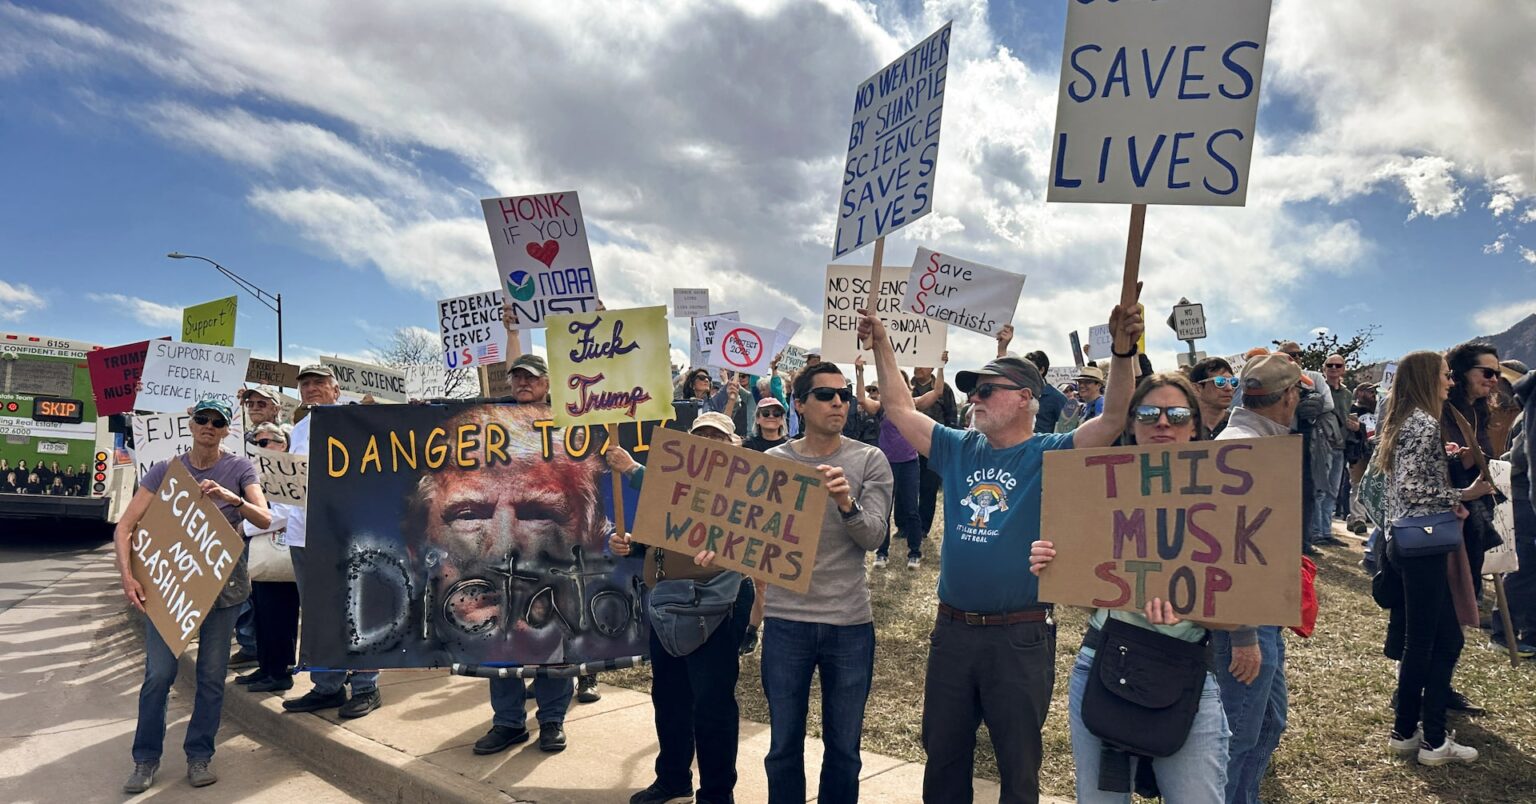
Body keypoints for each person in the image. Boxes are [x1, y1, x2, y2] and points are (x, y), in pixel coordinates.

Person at [858, 297, 1143, 804]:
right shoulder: (960, 446)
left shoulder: (1050, 454)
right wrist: (882, 343)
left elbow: (1115, 415)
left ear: (1027, 399)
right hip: (952, 631)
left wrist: (1123, 351)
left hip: (1021, 635)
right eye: (972, 390)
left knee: (1018, 762)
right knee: (943, 754)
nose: (975, 398)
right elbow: (901, 408)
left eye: (987, 390)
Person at [1030, 372, 1231, 802]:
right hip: (1104, 661)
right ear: (1131, 423)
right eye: (1148, 413)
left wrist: (1195, 608)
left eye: (1176, 414)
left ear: (1194, 424)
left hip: (1185, 667)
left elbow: (1244, 598)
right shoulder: (1099, 488)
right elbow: (1088, 591)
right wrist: (1053, 563)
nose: (1163, 423)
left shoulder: (1227, 493)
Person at [739, 361, 892, 804]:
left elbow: (874, 537)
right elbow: (748, 535)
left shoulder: (869, 460)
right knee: (783, 745)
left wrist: (846, 502)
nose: (839, 403)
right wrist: (723, 550)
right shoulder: (773, 463)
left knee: (844, 750)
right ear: (800, 405)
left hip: (849, 624)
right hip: (787, 622)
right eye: (826, 395)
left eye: (843, 395)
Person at [115, 397, 271, 793]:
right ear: (191, 424)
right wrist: (128, 576)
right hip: (170, 588)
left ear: (226, 429)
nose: (208, 426)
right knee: (159, 676)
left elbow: (265, 517)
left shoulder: (239, 467)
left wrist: (232, 497)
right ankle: (145, 759)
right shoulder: (167, 470)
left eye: (216, 422)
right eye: (202, 419)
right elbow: (126, 527)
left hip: (223, 590)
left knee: (211, 677)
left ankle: (199, 755)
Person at [606, 412, 752, 804]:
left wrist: (633, 468)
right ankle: (673, 778)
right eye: (700, 436)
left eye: (717, 438)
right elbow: (661, 537)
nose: (708, 445)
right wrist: (633, 545)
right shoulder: (669, 488)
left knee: (712, 704)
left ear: (734, 445)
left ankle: (717, 794)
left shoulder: (744, 490)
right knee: (669, 697)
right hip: (666, 602)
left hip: (717, 605)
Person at [1376, 351, 1491, 765]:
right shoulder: (1423, 422)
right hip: (1424, 543)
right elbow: (1412, 490)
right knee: (1438, 642)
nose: (1450, 382)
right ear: (1429, 378)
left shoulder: (1403, 420)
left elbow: (1399, 485)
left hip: (1405, 542)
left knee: (1423, 641)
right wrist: (1464, 494)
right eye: (1445, 376)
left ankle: (1407, 732)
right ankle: (1432, 739)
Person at [1210, 353, 1304, 802]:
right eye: (1298, 392)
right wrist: (1244, 631)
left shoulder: (1253, 440)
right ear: (1287, 397)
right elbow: (1227, 547)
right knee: (1236, 736)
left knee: (1267, 722)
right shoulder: (1246, 447)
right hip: (1244, 620)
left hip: (1260, 612)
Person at [281, 365, 384, 719]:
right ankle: (327, 686)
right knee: (317, 615)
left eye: (319, 383)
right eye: (305, 384)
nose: (311, 389)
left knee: (357, 609)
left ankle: (366, 686)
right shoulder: (298, 428)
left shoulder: (355, 419)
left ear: (336, 390)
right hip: (303, 534)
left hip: (347, 534)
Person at [856, 355, 941, 569]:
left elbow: (937, 392)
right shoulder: (880, 408)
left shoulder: (913, 406)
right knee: (885, 509)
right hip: (886, 465)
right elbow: (860, 399)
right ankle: (881, 553)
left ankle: (914, 552)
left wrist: (939, 366)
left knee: (912, 509)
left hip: (909, 464)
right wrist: (860, 373)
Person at [240, 422, 302, 694]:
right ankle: (266, 666)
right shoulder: (258, 472)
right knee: (263, 612)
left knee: (280, 613)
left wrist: (247, 526)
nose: (260, 448)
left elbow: (286, 513)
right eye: (257, 443)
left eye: (265, 443)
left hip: (284, 548)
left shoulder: (290, 470)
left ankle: (280, 671)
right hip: (264, 549)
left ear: (282, 444)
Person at [1188, 356, 1236, 439]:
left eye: (1233, 382)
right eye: (1220, 382)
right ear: (1197, 388)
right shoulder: (1183, 426)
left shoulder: (1239, 424)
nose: (1229, 388)